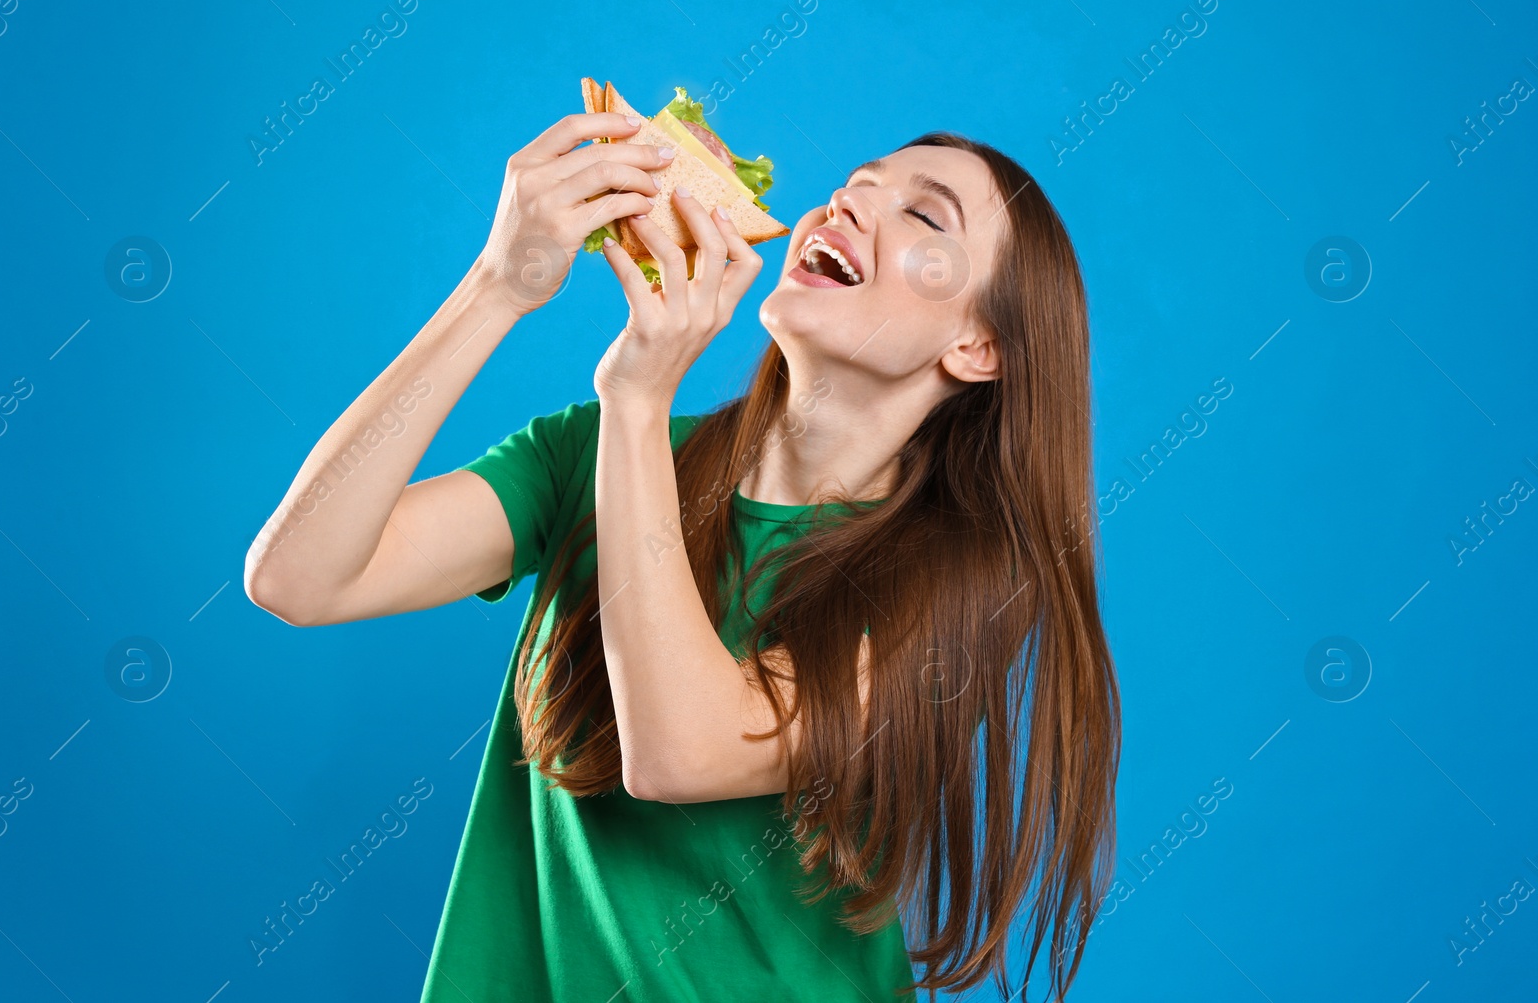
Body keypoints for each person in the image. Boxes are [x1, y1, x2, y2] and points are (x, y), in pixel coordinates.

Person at [244, 109, 1121, 1003]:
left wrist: (636, 397)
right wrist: (499, 286)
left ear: (979, 347)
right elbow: (299, 575)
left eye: (924, 218)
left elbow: (679, 753)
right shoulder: (587, 457)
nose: (845, 209)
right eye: (853, 187)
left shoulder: (968, 589)